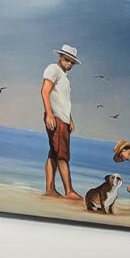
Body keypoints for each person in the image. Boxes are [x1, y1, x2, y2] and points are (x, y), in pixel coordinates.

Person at [41, 44, 82, 201]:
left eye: (72, 62)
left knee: (54, 154)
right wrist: (50, 115)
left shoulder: (64, 76)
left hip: (63, 118)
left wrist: (70, 119)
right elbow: (45, 92)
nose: (70, 64)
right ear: (60, 57)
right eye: (67, 60)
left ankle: (50, 189)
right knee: (62, 155)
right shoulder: (53, 69)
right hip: (56, 118)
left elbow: (64, 101)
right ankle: (69, 190)